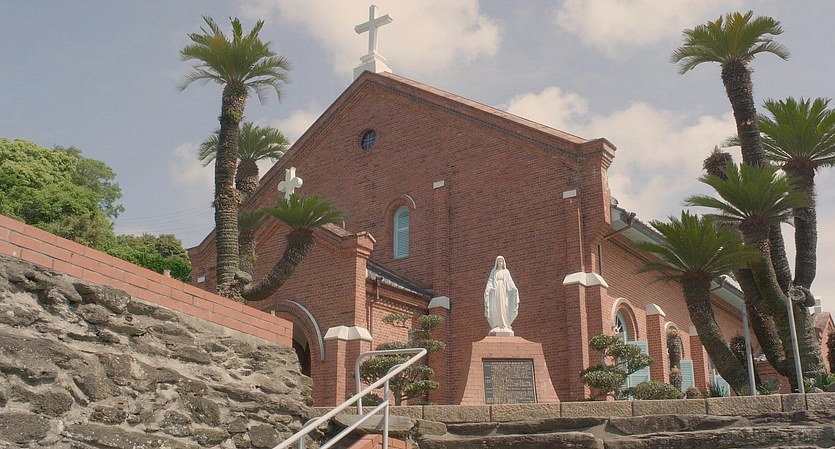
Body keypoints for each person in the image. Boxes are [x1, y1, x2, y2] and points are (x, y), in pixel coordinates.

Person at [484, 256, 519, 334]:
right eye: (499, 261)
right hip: (496, 290)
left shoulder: (506, 272)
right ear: (497, 263)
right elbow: (490, 281)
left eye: (501, 261)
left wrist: (514, 288)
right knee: (497, 306)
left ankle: (504, 323)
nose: (500, 263)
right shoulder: (494, 272)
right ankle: (497, 324)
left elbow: (510, 281)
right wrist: (488, 288)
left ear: (503, 263)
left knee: (504, 306)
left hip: (504, 290)